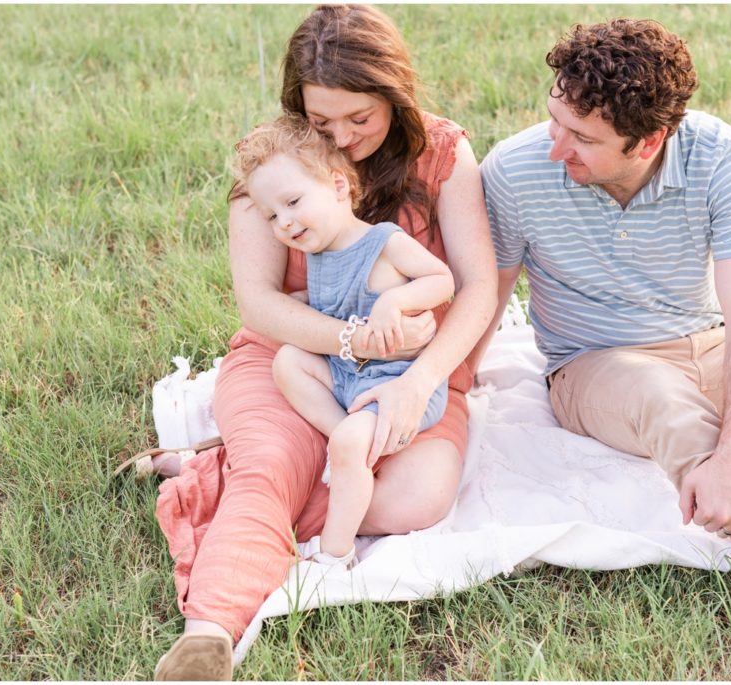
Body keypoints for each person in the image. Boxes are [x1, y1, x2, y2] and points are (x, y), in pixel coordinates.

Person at [476, 18, 731, 680]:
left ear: (650, 140)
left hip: (710, 344)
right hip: (595, 368)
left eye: (583, 139)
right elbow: (487, 297)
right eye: (556, 120)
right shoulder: (514, 168)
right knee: (666, 404)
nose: (557, 147)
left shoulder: (723, 156)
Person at [141, 4, 497, 680]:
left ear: (395, 94)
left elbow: (475, 286)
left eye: (359, 118)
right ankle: (209, 632)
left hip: (410, 370)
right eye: (321, 120)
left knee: (416, 501)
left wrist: (419, 380)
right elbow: (262, 303)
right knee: (274, 466)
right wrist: (354, 339)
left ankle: (219, 471)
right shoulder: (273, 164)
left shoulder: (443, 153)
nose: (342, 136)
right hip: (292, 359)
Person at [233, 114, 456, 568]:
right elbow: (329, 305)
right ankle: (345, 444)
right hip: (348, 373)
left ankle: (334, 555)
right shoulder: (318, 254)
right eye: (273, 215)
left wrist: (395, 303)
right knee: (289, 362)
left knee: (353, 442)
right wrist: (298, 301)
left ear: (338, 186)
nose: (285, 223)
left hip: (396, 383)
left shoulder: (384, 242)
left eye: (293, 202)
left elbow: (442, 280)